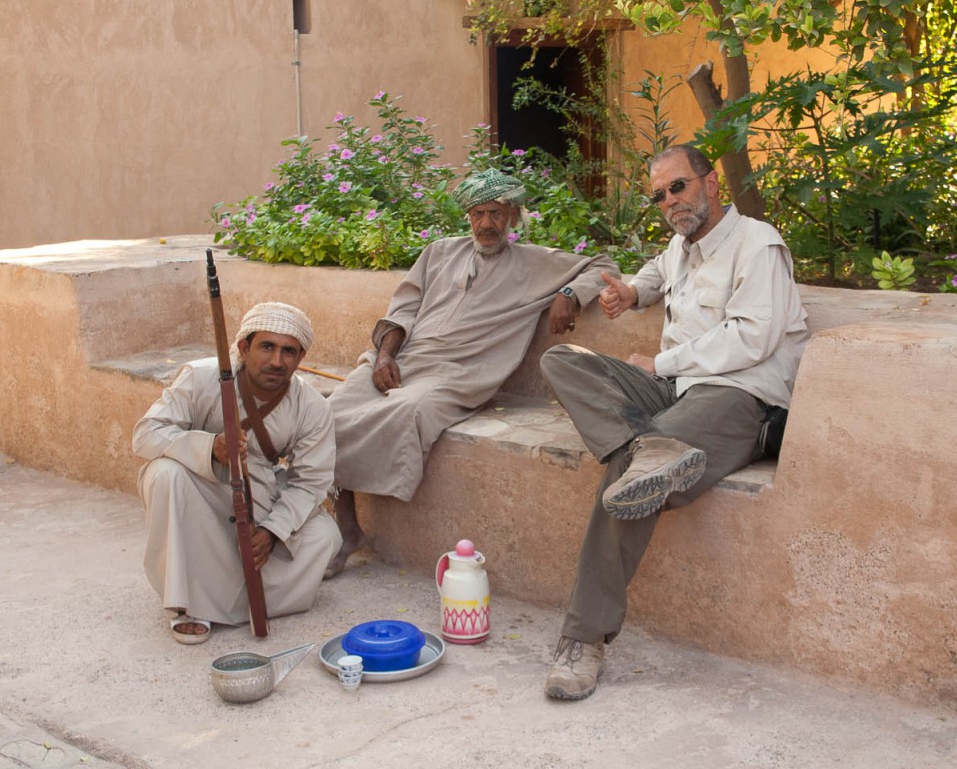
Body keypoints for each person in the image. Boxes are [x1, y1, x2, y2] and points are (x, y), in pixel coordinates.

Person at [540, 145, 810, 700]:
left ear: (711, 183)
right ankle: (654, 446)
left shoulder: (757, 245)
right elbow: (655, 273)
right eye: (659, 195)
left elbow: (752, 338)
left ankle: (583, 638)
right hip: (671, 394)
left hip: (737, 396)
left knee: (624, 473)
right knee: (562, 361)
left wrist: (661, 363)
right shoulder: (682, 248)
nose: (669, 202)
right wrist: (632, 292)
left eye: (678, 187)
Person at [323, 168, 619, 577]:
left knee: (408, 410)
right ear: (468, 217)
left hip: (461, 372)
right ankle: (347, 528)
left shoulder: (535, 263)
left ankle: (349, 528)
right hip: (405, 359)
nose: (486, 224)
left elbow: (604, 265)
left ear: (513, 216)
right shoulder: (440, 252)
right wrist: (384, 357)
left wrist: (570, 294)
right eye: (478, 214)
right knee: (333, 411)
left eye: (496, 213)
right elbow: (402, 309)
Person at [133, 301, 340, 644]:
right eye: (267, 347)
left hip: (262, 498)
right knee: (165, 474)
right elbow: (145, 435)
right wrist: (209, 447)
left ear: (300, 358)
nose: (277, 361)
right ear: (244, 348)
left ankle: (224, 600)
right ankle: (189, 604)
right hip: (204, 492)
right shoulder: (200, 378)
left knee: (325, 536)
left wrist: (273, 531)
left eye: (289, 351)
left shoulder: (313, 407)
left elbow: (312, 482)